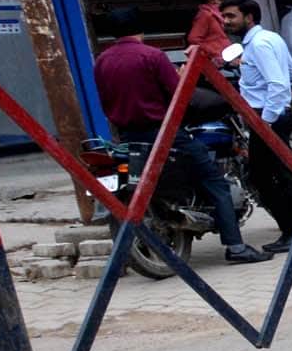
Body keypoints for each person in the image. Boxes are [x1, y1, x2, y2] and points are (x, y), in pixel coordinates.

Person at [92, 26, 262, 264]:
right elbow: (180, 93)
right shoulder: (152, 55)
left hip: (127, 136)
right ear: (140, 30)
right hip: (164, 132)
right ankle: (236, 247)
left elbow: (104, 100)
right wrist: (182, 77)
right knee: (215, 182)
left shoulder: (102, 61)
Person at [216, 0, 292, 255]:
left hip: (267, 118)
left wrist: (266, 119)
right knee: (278, 173)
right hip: (271, 115)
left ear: (249, 17)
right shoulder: (269, 39)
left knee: (265, 176)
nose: (226, 22)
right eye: (224, 17)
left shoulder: (259, 45)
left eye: (231, 16)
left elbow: (278, 83)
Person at [187, 0, 230, 64]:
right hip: (216, 59)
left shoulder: (217, 15)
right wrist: (213, 52)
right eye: (220, 0)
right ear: (211, 0)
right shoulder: (205, 15)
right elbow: (193, 38)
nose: (221, 3)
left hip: (224, 56)